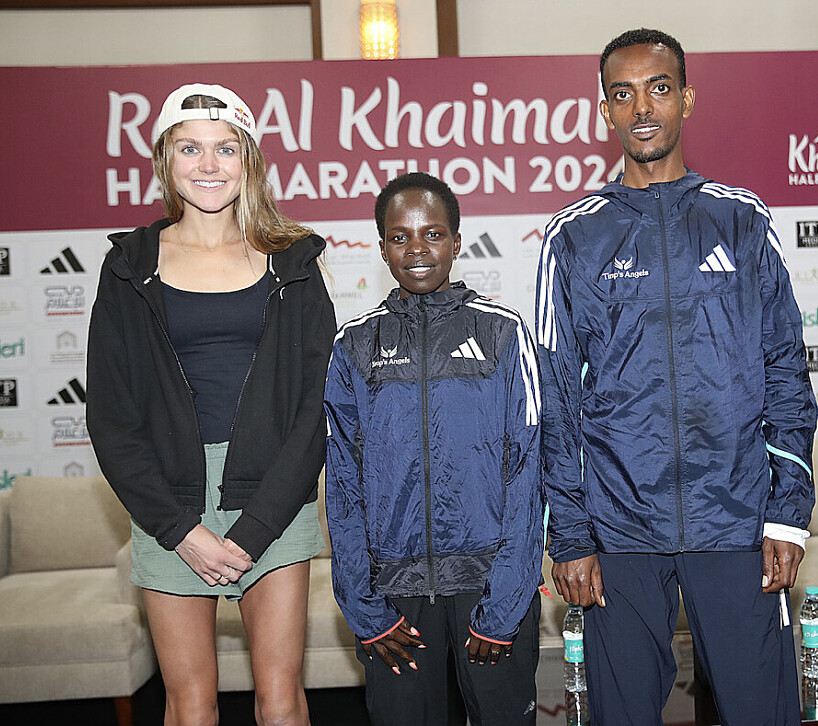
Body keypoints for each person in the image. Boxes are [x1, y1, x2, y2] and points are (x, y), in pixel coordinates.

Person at [535, 29, 817, 726]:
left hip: (737, 518)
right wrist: (570, 534)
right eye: (623, 93)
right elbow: (554, 397)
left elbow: (785, 369)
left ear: (686, 99)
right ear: (604, 109)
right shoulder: (572, 235)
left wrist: (788, 511)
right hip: (620, 523)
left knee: (761, 712)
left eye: (658, 88)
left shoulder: (741, 218)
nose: (642, 108)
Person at [87, 83, 337, 726]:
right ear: (164, 160)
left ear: (248, 159)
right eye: (189, 148)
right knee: (191, 707)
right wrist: (180, 531)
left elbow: (317, 409)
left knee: (280, 702)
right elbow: (111, 418)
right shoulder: (128, 266)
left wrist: (255, 529)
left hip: (273, 495)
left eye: (225, 148)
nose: (208, 164)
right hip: (169, 500)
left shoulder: (293, 263)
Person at [324, 172, 543, 725]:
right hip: (394, 597)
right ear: (382, 249)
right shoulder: (355, 344)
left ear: (457, 241)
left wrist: (505, 605)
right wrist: (365, 609)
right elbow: (343, 485)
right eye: (400, 237)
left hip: (488, 588)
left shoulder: (503, 332)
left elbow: (528, 472)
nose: (417, 249)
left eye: (433, 234)